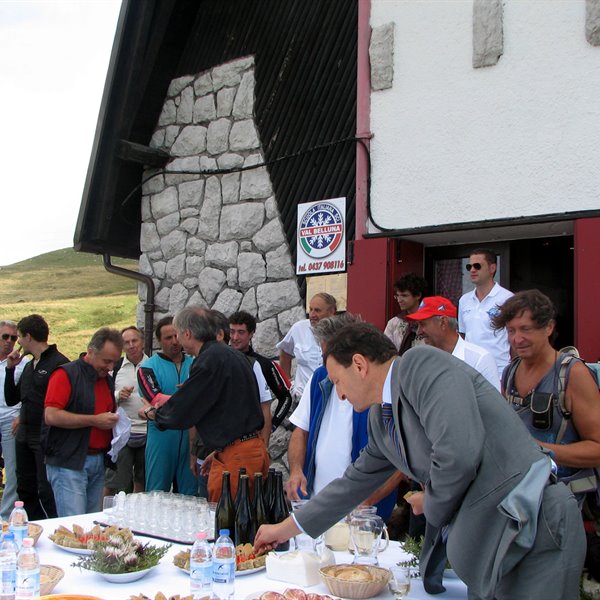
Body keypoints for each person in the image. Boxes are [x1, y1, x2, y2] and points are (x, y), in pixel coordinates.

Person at [255, 323, 586, 600]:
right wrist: (285, 528)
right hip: (493, 538)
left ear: (359, 364)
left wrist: (432, 501)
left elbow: (458, 453)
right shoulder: (379, 419)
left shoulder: (420, 364)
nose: (339, 395)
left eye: (338, 381)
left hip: (533, 527)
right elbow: (352, 483)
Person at [145, 307, 269, 501]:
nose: (176, 340)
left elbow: (186, 407)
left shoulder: (209, 360)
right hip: (243, 449)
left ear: (187, 334)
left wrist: (153, 414)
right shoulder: (228, 354)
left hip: (239, 455)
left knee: (228, 523)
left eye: (177, 334)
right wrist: (221, 450)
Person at [285, 313, 400, 521]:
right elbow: (300, 431)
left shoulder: (380, 392)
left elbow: (396, 462)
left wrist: (365, 501)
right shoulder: (320, 378)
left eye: (329, 355)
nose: (324, 363)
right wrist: (295, 471)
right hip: (319, 504)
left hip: (362, 514)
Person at [492, 289, 600, 499]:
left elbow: (597, 449)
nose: (517, 339)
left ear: (549, 327)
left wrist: (540, 450)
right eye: (511, 330)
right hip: (520, 498)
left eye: (526, 329)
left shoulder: (572, 374)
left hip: (563, 501)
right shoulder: (510, 372)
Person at [43, 328, 121, 517]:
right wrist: (95, 420)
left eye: (114, 362)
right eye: (106, 361)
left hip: (98, 460)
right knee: (74, 525)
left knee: (91, 523)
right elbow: (51, 416)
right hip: (69, 462)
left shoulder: (105, 379)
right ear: (91, 351)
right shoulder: (65, 374)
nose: (110, 367)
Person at [4, 314, 68, 520]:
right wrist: (10, 369)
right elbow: (13, 398)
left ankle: (51, 525)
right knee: (25, 488)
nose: (18, 343)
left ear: (28, 337)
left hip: (44, 437)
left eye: (19, 337)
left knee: (45, 489)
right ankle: (31, 528)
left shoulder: (59, 363)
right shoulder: (30, 365)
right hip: (24, 436)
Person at [137, 316, 196, 495]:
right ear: (159, 341)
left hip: (189, 438)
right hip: (161, 437)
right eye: (168, 338)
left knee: (190, 494)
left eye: (176, 336)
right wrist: (189, 397)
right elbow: (155, 399)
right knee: (156, 492)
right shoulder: (147, 367)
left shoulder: (195, 364)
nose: (174, 342)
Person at [406, 296, 500, 390]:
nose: (418, 332)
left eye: (422, 324)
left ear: (443, 322)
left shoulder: (480, 360)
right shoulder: (423, 361)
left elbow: (494, 403)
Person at [229, 311, 293, 440]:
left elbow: (286, 397)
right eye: (232, 331)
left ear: (252, 333)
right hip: (224, 437)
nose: (235, 337)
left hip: (253, 439)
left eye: (241, 332)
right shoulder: (219, 359)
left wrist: (272, 426)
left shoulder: (263, 364)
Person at [103, 326, 149, 497]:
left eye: (134, 341)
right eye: (126, 342)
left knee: (142, 482)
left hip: (147, 432)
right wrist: (117, 395)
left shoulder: (152, 364)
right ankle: (102, 516)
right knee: (114, 482)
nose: (131, 345)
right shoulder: (115, 367)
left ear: (142, 342)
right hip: (122, 433)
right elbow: (104, 395)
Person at [458, 248, 513, 379]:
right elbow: (462, 336)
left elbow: (514, 337)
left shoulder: (508, 298)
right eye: (469, 266)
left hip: (498, 372)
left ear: (492, 268)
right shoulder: (464, 300)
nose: (472, 270)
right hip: (470, 372)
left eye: (477, 266)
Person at [276, 293, 337, 399]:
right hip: (302, 398)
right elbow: (285, 352)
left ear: (331, 312)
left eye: (317, 310)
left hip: (330, 399)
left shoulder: (341, 333)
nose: (312, 315)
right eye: (311, 309)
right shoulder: (298, 328)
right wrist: (288, 383)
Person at [0, 320, 28, 520]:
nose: (9, 341)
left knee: (13, 470)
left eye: (13, 337)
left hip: (10, 419)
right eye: (5, 337)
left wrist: (21, 415)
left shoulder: (22, 364)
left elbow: (29, 394)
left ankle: (4, 517)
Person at [384, 273, 428, 355]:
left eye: (404, 295)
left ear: (418, 295)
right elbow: (385, 351)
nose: (399, 300)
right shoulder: (394, 323)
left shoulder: (430, 322)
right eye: (397, 296)